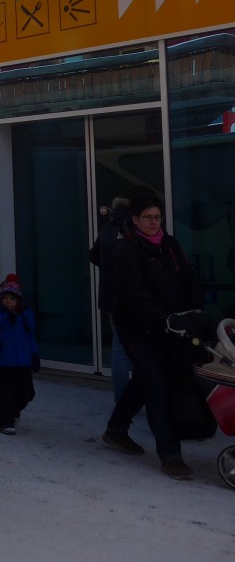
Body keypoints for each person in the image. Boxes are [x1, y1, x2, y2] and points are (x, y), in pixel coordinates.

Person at [103, 190, 205, 480]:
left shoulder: (170, 245)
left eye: (157, 217)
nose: (153, 222)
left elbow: (189, 278)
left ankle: (115, 429)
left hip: (170, 326)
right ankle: (171, 455)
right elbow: (134, 294)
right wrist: (164, 318)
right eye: (147, 218)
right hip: (139, 328)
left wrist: (195, 310)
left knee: (148, 380)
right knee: (158, 385)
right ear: (135, 220)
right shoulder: (127, 250)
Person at [91, 196, 135, 402]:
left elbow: (93, 255)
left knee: (118, 348)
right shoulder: (131, 227)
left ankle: (122, 399)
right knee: (139, 349)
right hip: (129, 295)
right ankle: (137, 397)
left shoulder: (108, 227)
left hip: (109, 294)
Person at [0, 273, 39, 436]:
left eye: (12, 298)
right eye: (5, 298)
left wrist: (35, 355)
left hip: (23, 361)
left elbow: (30, 336)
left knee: (27, 393)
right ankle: (5, 421)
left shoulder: (25, 315)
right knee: (6, 393)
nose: (8, 302)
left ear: (18, 300)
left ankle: (11, 412)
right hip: (5, 362)